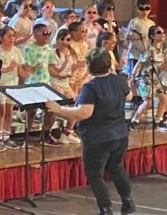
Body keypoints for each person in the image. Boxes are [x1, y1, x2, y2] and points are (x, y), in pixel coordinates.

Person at [45, 48, 135, 215]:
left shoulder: (90, 87)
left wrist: (59, 109)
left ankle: (106, 208)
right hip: (119, 134)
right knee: (116, 167)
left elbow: (84, 113)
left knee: (94, 174)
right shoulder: (116, 80)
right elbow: (129, 96)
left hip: (98, 137)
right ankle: (127, 201)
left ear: (89, 66)